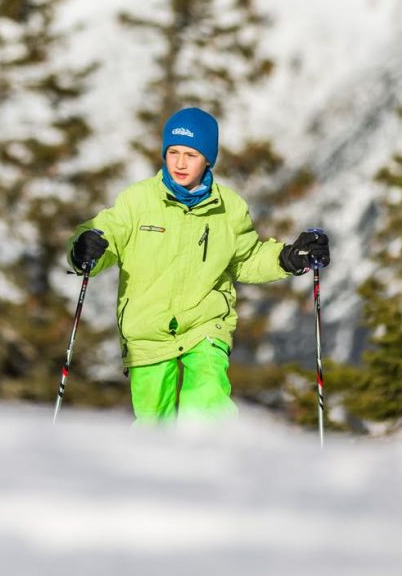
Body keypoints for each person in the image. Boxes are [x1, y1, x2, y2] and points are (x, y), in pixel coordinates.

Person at [67, 107, 329, 423]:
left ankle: (210, 465)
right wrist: (86, 249)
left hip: (205, 325)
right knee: (153, 424)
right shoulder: (138, 201)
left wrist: (290, 258)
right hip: (146, 331)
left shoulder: (229, 209)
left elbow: (245, 260)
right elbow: (107, 234)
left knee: (207, 405)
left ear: (208, 159)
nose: (179, 163)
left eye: (190, 154)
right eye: (173, 152)